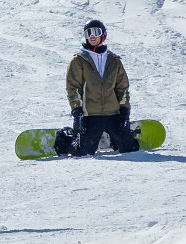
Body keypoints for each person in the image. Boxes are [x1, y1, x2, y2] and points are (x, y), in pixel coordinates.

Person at [56, 19, 139, 157]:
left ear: (103, 35)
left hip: (113, 114)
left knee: (130, 148)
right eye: (88, 33)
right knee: (82, 152)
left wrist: (125, 109)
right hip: (90, 115)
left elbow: (122, 88)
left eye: (96, 32)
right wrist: (77, 110)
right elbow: (73, 88)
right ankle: (66, 137)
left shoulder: (114, 61)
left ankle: (114, 139)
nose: (92, 36)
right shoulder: (79, 60)